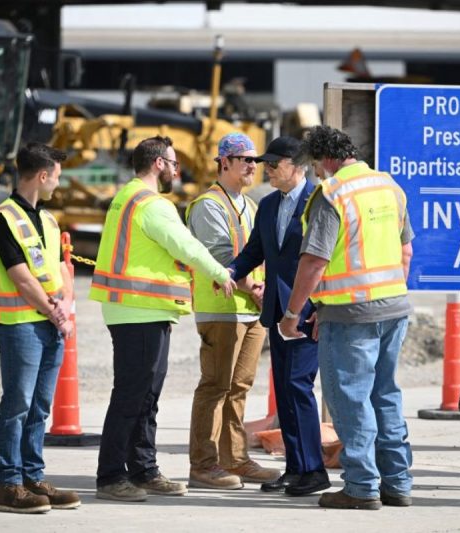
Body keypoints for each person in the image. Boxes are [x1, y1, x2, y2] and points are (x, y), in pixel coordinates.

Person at [90, 136, 236, 501]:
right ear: (158, 164)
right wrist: (221, 274)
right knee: (132, 395)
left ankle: (143, 469)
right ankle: (111, 476)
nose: (176, 170)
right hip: (137, 310)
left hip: (141, 309)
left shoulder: (128, 197)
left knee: (145, 395)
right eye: (173, 163)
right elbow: (185, 245)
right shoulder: (151, 204)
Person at [279, 125, 414, 510]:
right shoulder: (389, 186)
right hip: (393, 307)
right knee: (385, 394)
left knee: (351, 399)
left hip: (351, 316)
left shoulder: (332, 194)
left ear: (323, 160)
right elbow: (405, 252)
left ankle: (360, 486)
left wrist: (294, 314)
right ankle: (398, 482)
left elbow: (315, 261)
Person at [229, 136, 329, 496]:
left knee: (299, 387)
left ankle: (314, 470)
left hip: (307, 313)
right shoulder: (269, 204)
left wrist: (323, 306)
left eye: (274, 163)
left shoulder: (320, 200)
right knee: (285, 390)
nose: (267, 169)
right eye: (266, 163)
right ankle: (295, 468)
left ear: (297, 165)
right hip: (277, 311)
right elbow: (255, 250)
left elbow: (327, 259)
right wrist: (229, 271)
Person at [0, 142, 79, 514]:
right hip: (21, 326)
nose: (58, 183)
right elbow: (20, 277)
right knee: (17, 405)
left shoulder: (49, 219)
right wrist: (54, 312)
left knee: (40, 406)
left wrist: (66, 306)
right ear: (42, 176)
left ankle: (32, 477)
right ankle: (8, 484)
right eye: (56, 176)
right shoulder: (3, 219)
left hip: (50, 325)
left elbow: (61, 269)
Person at [186, 132, 280, 489]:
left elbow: (263, 253)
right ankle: (204, 464)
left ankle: (235, 459)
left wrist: (264, 290)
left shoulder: (251, 205)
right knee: (215, 386)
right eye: (246, 161)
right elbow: (220, 257)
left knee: (239, 386)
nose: (254, 167)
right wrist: (257, 291)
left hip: (250, 310)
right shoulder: (209, 205)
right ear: (224, 162)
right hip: (222, 309)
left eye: (256, 162)